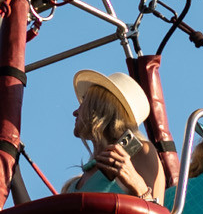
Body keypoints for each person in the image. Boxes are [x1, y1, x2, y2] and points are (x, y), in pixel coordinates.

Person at [60, 69, 167, 203]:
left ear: (101, 107)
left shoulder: (141, 152)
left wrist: (136, 184)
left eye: (84, 102)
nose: (75, 112)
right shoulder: (73, 184)